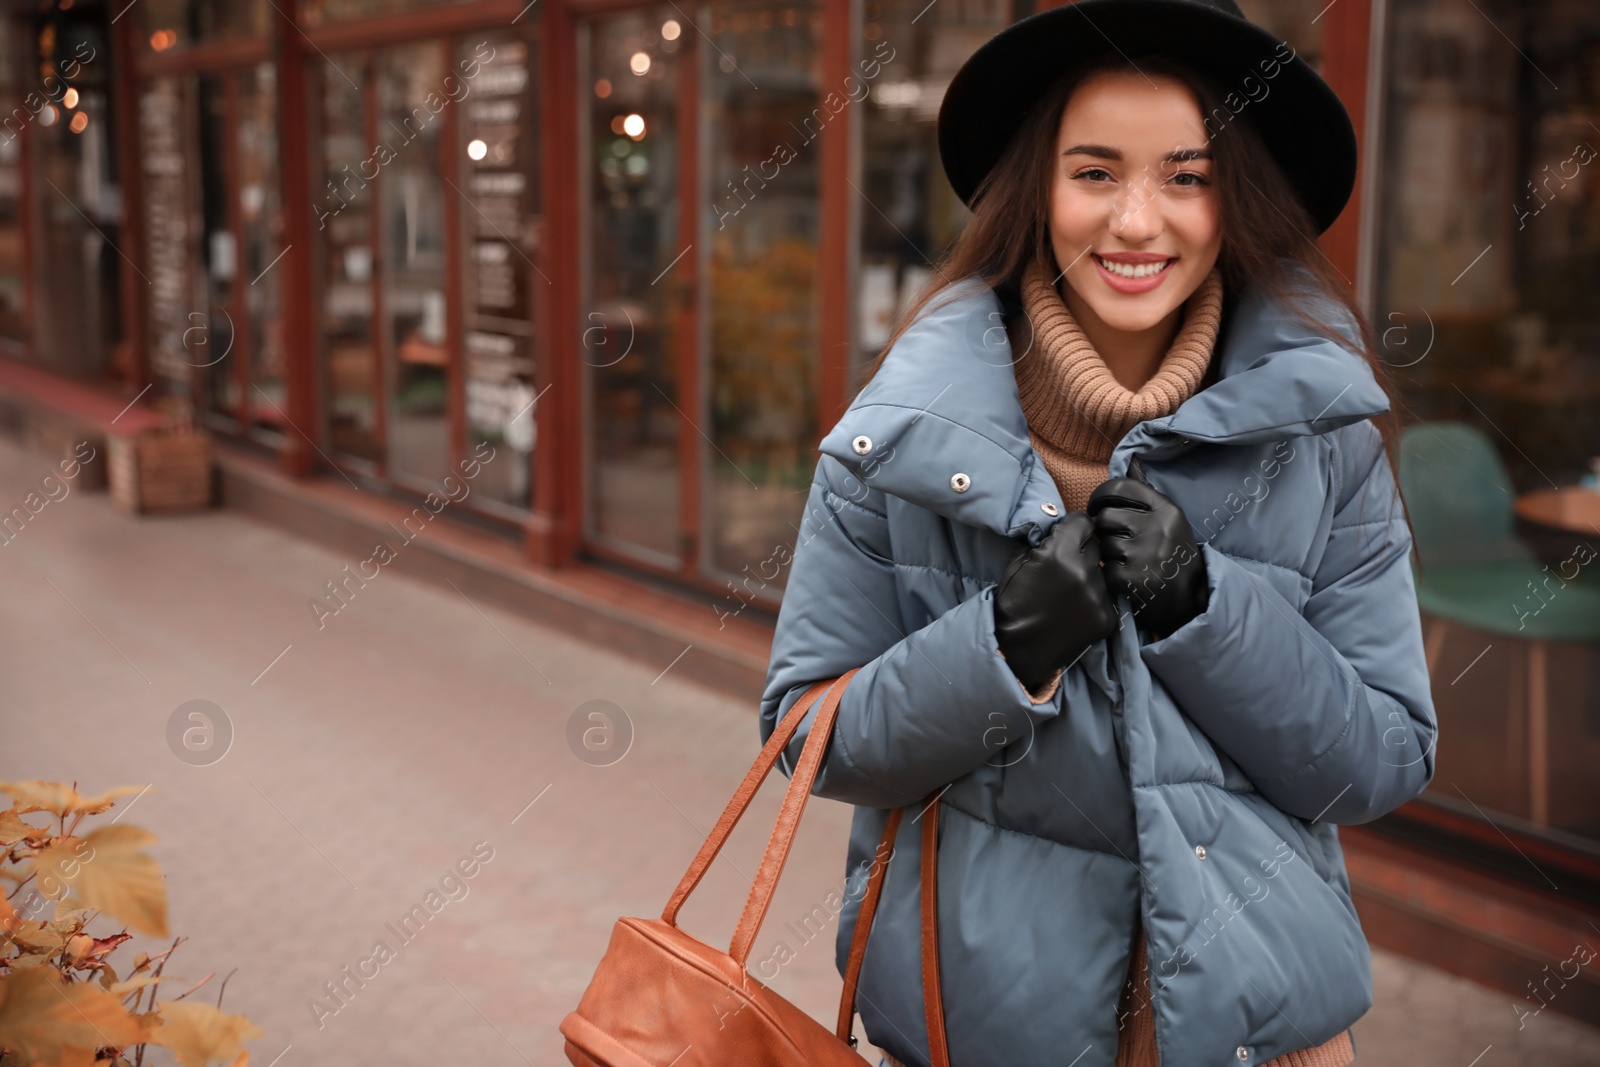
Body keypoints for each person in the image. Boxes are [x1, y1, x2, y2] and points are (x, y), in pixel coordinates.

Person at [758, 1, 1439, 1065]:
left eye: (1184, 175)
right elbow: (809, 735)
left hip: (1259, 1039)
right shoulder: (896, 441)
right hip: (977, 1029)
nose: (1135, 221)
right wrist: (1004, 646)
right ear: (1038, 190)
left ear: (1234, 199)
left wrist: (1206, 613)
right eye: (1093, 172)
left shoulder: (1320, 439)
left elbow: (1380, 758)